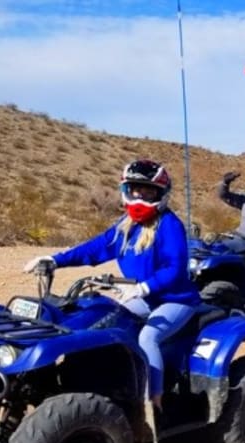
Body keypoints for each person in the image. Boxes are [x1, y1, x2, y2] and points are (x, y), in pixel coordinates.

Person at [23, 159, 200, 414]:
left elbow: (174, 268)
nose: (139, 196)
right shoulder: (125, 225)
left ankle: (153, 401)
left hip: (175, 300)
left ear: (160, 194)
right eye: (134, 190)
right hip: (145, 296)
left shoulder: (170, 225)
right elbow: (95, 248)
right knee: (108, 319)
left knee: (148, 337)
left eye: (147, 191)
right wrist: (55, 260)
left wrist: (143, 288)